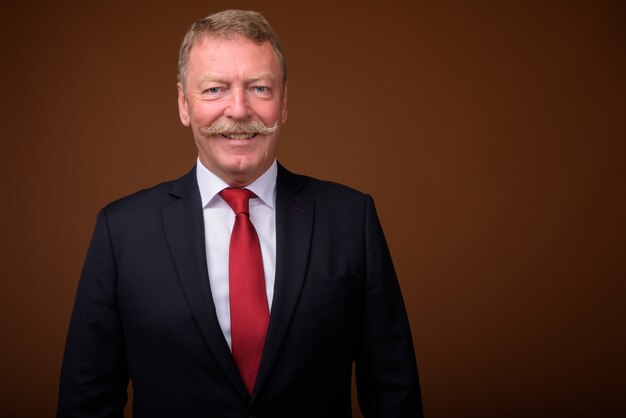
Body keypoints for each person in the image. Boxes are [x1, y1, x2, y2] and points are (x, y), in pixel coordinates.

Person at [57, 9, 423, 418]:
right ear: (183, 103)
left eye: (260, 88)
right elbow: (85, 404)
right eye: (214, 89)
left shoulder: (352, 220)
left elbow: (394, 395)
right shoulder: (121, 232)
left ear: (283, 102)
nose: (238, 109)